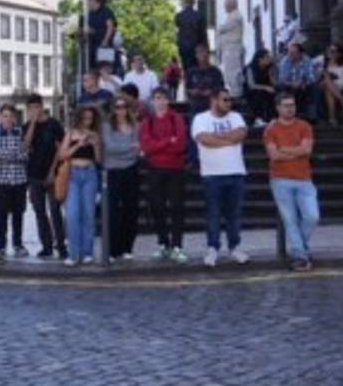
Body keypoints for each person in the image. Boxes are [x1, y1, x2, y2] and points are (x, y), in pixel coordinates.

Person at [193, 89, 250, 267]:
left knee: (234, 214)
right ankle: (212, 248)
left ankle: (235, 247)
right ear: (214, 100)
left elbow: (240, 134)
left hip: (236, 172)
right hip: (212, 174)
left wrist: (217, 138)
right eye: (225, 100)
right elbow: (204, 139)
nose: (229, 103)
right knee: (213, 214)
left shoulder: (236, 117)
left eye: (230, 100)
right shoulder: (200, 118)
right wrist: (228, 139)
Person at [265, 92, 319, 271]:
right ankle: (301, 255)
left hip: (304, 178)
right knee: (290, 220)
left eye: (292, 105)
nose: (290, 109)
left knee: (312, 216)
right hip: (280, 179)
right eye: (286, 105)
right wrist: (296, 150)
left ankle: (299, 249)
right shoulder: (271, 129)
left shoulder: (304, 126)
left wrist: (284, 150)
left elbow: (307, 150)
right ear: (278, 107)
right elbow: (273, 155)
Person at [140, 89, 189, 263]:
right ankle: (163, 244)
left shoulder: (177, 119)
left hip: (176, 169)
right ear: (152, 101)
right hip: (155, 169)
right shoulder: (148, 122)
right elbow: (146, 146)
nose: (159, 101)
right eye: (156, 98)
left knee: (177, 207)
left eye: (162, 98)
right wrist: (168, 141)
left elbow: (181, 144)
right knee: (156, 207)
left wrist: (158, 145)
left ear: (168, 100)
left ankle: (177, 246)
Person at [59, 106, 104, 267]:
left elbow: (99, 160)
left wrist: (96, 144)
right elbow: (61, 155)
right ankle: (73, 254)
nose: (87, 121)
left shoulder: (95, 135)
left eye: (90, 118)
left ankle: (87, 253)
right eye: (84, 118)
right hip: (73, 174)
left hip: (90, 173)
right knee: (72, 215)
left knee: (88, 214)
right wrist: (78, 144)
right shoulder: (70, 133)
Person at [22, 96, 66, 259]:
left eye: (37, 107)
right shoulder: (27, 126)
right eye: (31, 107)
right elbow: (25, 145)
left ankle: (61, 245)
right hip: (34, 174)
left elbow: (60, 149)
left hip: (52, 173)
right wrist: (33, 123)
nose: (34, 110)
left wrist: (52, 171)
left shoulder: (53, 125)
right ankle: (46, 245)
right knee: (39, 211)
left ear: (42, 107)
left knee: (55, 210)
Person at [102, 92, 142, 262]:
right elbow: (110, 148)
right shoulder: (106, 126)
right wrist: (129, 148)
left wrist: (129, 149)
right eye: (118, 107)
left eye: (124, 107)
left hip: (131, 170)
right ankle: (113, 249)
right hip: (113, 171)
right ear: (113, 109)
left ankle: (127, 247)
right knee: (113, 210)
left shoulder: (134, 126)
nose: (121, 110)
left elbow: (138, 148)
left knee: (130, 209)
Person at [0, 104, 29, 258]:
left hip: (19, 181)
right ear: (0, 117)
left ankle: (18, 245)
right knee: (1, 215)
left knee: (19, 214)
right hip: (1, 181)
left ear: (15, 118)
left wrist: (15, 155)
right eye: (5, 116)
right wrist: (17, 154)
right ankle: (1, 246)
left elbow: (26, 155)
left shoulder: (21, 133)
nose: (8, 119)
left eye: (11, 116)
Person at [276, 41, 322, 122]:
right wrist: (292, 84)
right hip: (288, 85)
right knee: (282, 88)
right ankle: (288, 113)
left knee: (314, 88)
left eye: (294, 53)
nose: (291, 55)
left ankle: (313, 115)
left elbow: (311, 77)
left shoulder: (306, 60)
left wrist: (303, 83)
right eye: (290, 52)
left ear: (300, 53)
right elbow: (282, 79)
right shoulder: (285, 61)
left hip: (303, 84)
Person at [183, 44, 225, 115]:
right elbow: (187, 89)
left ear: (208, 54)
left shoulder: (216, 71)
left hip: (212, 107)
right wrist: (193, 92)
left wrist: (211, 92)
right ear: (196, 55)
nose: (202, 55)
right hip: (195, 107)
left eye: (204, 52)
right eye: (199, 52)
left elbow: (221, 88)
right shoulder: (191, 72)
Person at [216, 0, 245, 94]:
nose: (224, 7)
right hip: (229, 49)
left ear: (231, 5)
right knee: (229, 73)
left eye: (226, 5)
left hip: (232, 49)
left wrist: (220, 29)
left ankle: (236, 93)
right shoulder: (232, 16)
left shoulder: (235, 16)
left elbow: (223, 29)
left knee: (233, 73)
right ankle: (234, 91)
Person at [84, 0, 119, 72]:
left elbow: (110, 27)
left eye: (89, 0)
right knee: (93, 68)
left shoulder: (106, 11)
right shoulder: (89, 13)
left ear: (96, 1)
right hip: (92, 44)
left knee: (104, 68)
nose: (87, 2)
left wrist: (105, 40)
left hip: (104, 44)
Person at [175, 0, 209, 72]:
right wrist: (206, 48)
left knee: (186, 69)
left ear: (185, 3)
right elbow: (203, 34)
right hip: (197, 47)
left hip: (184, 48)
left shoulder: (179, 16)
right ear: (194, 3)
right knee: (197, 69)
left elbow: (178, 27)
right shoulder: (199, 16)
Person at [320, 44, 343, 127]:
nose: (330, 53)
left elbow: (342, 82)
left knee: (328, 89)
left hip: (336, 87)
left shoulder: (342, 66)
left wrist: (330, 79)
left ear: (339, 54)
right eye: (329, 51)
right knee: (326, 80)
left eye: (333, 51)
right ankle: (342, 99)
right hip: (320, 86)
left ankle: (332, 118)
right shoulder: (322, 62)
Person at [245, 49, 277, 125]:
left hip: (267, 88)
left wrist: (272, 73)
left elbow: (272, 81)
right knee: (260, 95)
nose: (269, 59)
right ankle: (260, 119)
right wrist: (265, 88)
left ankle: (274, 117)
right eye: (267, 57)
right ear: (260, 59)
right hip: (254, 90)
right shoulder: (250, 68)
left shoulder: (269, 67)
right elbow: (251, 85)